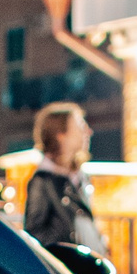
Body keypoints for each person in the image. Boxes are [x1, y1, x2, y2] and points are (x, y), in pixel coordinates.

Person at [22, 103, 110, 258]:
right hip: (70, 271)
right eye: (80, 126)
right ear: (60, 134)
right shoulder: (43, 181)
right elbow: (35, 235)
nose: (88, 132)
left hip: (85, 269)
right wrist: (67, 254)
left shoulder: (79, 176)